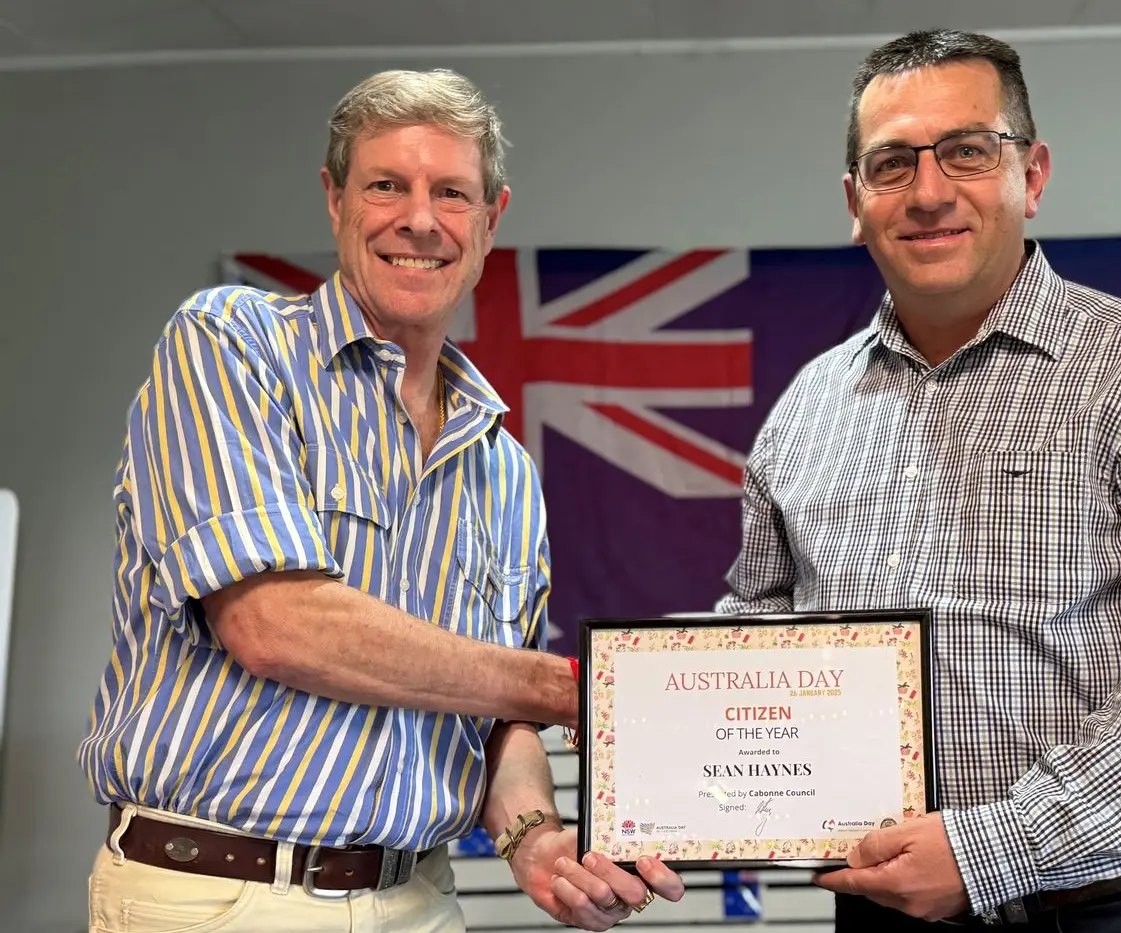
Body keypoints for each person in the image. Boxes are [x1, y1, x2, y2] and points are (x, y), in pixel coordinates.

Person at [715, 29, 1121, 930]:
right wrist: (656, 781)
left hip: (1107, 912)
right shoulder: (805, 411)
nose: (930, 191)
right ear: (854, 200)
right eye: (892, 164)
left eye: (967, 151)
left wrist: (998, 847)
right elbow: (757, 639)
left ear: (1032, 175)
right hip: (883, 915)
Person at [77, 68, 683, 933]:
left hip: (420, 900)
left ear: (490, 220)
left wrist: (535, 837)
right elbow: (276, 626)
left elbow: (501, 716)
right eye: (386, 185)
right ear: (334, 200)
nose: (421, 220)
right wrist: (580, 686)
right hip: (219, 896)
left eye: (452, 193)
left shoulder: (505, 469)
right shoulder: (231, 347)